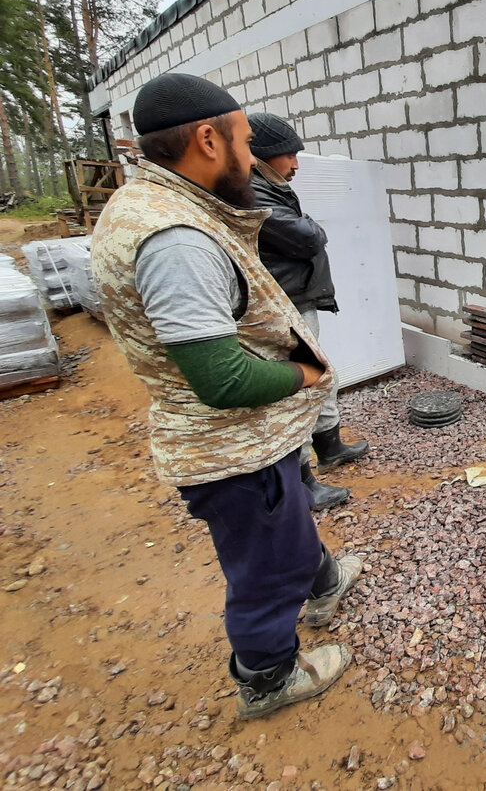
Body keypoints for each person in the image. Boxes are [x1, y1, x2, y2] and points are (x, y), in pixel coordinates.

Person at [90, 73, 363, 719]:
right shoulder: (176, 241)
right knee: (265, 569)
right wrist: (305, 375)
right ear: (209, 140)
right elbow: (223, 381)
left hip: (257, 440)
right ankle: (267, 677)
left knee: (288, 514)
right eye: (243, 141)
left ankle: (322, 582)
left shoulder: (160, 205)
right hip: (233, 447)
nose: (250, 156)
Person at [247, 112, 370, 510]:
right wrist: (311, 226)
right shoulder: (251, 193)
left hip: (296, 300)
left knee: (321, 377)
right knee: (300, 387)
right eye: (288, 155)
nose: (295, 164)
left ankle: (330, 448)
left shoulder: (271, 186)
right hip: (280, 306)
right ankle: (302, 482)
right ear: (262, 155)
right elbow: (307, 237)